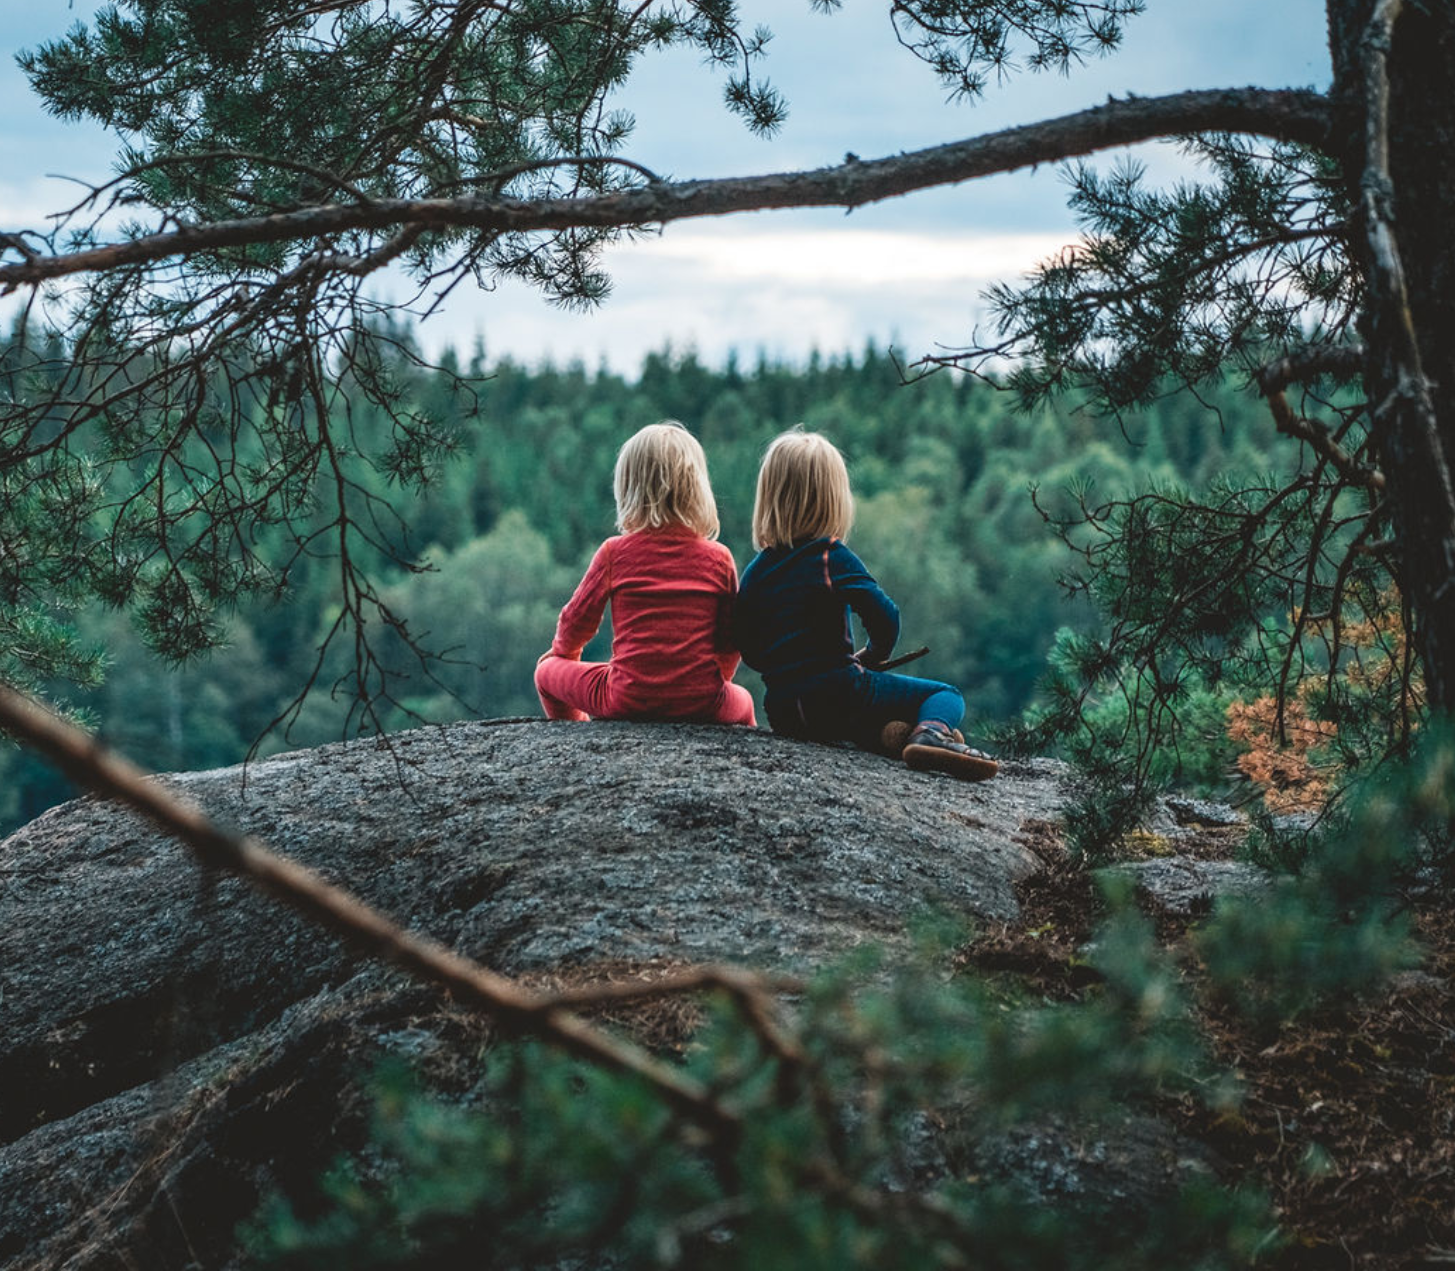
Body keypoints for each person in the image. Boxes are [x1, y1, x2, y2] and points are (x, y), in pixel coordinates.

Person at [734, 429, 996, 781]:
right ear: (833, 499)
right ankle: (931, 733)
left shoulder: (756, 571)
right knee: (945, 695)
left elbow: (748, 647)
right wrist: (872, 656)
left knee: (860, 723)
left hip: (785, 712)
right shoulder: (830, 556)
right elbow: (885, 618)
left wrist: (784, 668)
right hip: (840, 693)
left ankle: (893, 737)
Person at [534, 420, 756, 727]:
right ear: (698, 488)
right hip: (703, 702)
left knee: (545, 672)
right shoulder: (719, 558)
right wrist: (711, 682)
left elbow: (577, 622)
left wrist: (563, 654)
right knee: (744, 702)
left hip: (626, 699)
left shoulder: (614, 553)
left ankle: (577, 736)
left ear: (627, 488)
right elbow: (730, 640)